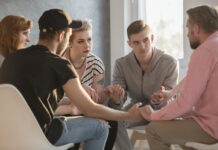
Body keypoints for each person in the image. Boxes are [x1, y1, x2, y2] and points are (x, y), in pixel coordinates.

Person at [0, 9, 142, 150]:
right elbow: (91, 109)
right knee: (101, 128)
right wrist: (129, 115)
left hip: (8, 135)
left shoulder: (12, 60)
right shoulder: (59, 64)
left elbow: (31, 100)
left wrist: (71, 100)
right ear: (62, 36)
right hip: (40, 136)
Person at [139, 5, 218, 150]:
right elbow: (195, 78)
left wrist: (153, 115)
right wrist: (171, 93)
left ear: (197, 28)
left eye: (188, 29)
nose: (187, 34)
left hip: (212, 128)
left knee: (154, 130)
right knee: (180, 128)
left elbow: (184, 104)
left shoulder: (204, 52)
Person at [109, 20, 179, 150]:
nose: (142, 46)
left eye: (145, 40)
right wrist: (116, 98)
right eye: (136, 42)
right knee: (114, 121)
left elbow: (171, 97)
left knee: (162, 127)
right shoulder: (121, 64)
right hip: (138, 109)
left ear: (152, 38)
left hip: (163, 111)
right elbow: (118, 100)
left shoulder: (170, 62)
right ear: (129, 44)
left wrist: (160, 99)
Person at [60, 19, 123, 150]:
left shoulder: (96, 64)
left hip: (86, 110)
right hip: (64, 111)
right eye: (81, 41)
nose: (87, 45)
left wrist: (105, 94)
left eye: (89, 40)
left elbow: (96, 101)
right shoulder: (59, 62)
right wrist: (79, 92)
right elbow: (55, 100)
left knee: (111, 122)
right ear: (70, 43)